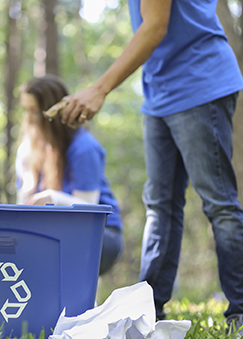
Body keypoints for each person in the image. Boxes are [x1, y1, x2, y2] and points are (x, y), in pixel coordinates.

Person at [58, 0, 243, 334]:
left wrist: (99, 89)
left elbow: (155, 26)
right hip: (159, 94)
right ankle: (149, 310)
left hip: (200, 84)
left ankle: (241, 312)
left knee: (219, 205)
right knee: (160, 206)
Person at [15, 75, 123, 276]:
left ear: (51, 113)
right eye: (25, 110)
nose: (28, 119)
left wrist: (52, 198)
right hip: (50, 233)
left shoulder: (83, 147)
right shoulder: (27, 150)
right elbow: (22, 206)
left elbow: (88, 210)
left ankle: (84, 303)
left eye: (34, 111)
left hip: (100, 235)